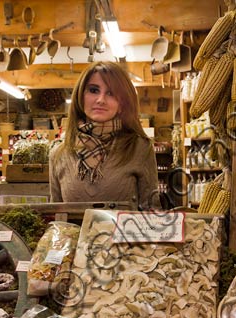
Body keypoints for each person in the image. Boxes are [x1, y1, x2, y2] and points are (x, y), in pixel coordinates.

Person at [49, 61, 160, 210]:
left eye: (111, 93)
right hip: (74, 234)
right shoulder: (59, 153)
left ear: (122, 103)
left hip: (125, 234)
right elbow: (56, 218)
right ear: (80, 96)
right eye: (94, 90)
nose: (101, 100)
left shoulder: (139, 148)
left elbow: (152, 213)